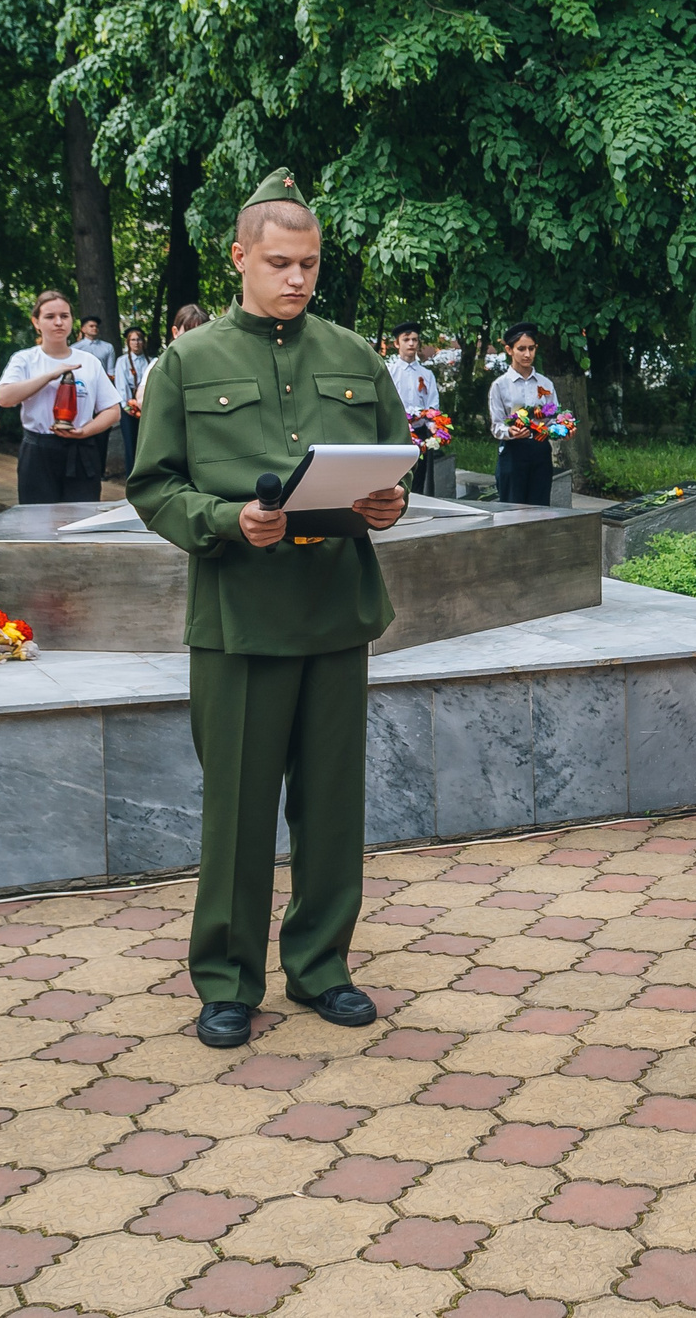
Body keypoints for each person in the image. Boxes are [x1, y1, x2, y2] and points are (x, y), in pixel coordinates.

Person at [127, 168, 412, 1047]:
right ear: (239, 257)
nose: (296, 278)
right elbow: (153, 485)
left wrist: (390, 503)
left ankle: (322, 965)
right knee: (239, 810)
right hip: (240, 615)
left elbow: (395, 460)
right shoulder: (189, 361)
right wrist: (226, 520)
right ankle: (227, 979)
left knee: (331, 808)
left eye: (310, 264)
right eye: (280, 262)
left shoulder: (355, 356)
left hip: (334, 608)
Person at [0, 290, 122, 504]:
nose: (58, 322)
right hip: (38, 450)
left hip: (81, 450)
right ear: (36, 322)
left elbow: (112, 410)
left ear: (72, 320)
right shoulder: (25, 359)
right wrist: (50, 375)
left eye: (64, 316)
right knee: (37, 517)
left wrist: (85, 432)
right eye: (50, 317)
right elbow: (4, 397)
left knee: (82, 517)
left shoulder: (89, 361)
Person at [488, 323, 558, 505]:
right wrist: (510, 431)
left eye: (531, 348)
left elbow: (554, 418)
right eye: (521, 349)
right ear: (509, 350)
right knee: (513, 507)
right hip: (513, 452)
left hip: (540, 450)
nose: (527, 354)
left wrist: (561, 429)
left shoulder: (546, 384)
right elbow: (497, 425)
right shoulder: (500, 385)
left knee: (540, 506)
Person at [388, 324, 446, 498]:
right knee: (397, 475)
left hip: (420, 431)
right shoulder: (390, 372)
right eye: (406, 340)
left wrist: (433, 424)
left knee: (418, 475)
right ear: (397, 343)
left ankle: (416, 502)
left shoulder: (426, 374)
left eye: (414, 339)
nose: (411, 343)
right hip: (398, 431)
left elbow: (432, 404)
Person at [114, 327, 154, 475]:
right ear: (128, 342)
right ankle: (131, 475)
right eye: (133, 340)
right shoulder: (122, 361)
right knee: (130, 443)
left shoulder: (151, 361)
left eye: (139, 340)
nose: (136, 343)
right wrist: (128, 406)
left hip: (147, 407)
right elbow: (121, 385)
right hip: (129, 408)